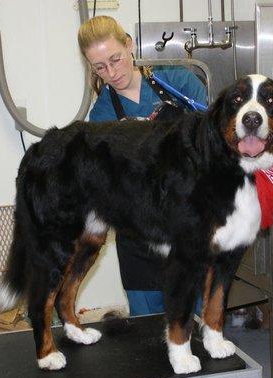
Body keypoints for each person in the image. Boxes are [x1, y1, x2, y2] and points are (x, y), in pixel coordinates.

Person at [78, 15, 207, 317]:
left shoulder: (179, 81)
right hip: (138, 234)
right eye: (100, 67)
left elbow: (210, 145)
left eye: (115, 59)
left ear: (130, 46)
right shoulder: (102, 115)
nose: (112, 72)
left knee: (198, 322)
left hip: (189, 224)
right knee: (147, 331)